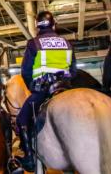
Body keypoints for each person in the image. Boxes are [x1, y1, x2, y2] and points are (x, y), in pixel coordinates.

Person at [16, 11, 77, 172]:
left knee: (22, 119)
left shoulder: (33, 43)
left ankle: (29, 157)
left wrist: (33, 88)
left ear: (37, 27)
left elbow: (26, 71)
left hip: (43, 90)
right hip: (65, 88)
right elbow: (73, 70)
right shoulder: (66, 42)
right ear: (54, 25)